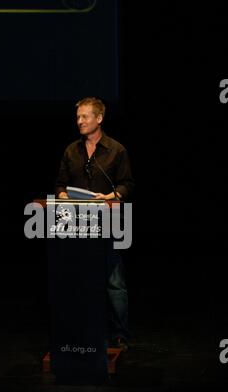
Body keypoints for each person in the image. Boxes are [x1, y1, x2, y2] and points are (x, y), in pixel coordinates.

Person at [55, 97, 134, 350]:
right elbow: (60, 184)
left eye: (85, 117)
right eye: (77, 117)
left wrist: (111, 196)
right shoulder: (71, 151)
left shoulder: (116, 150)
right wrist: (63, 195)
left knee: (114, 281)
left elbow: (127, 184)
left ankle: (119, 335)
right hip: (77, 224)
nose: (79, 121)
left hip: (108, 221)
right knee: (80, 280)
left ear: (99, 119)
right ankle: (84, 331)